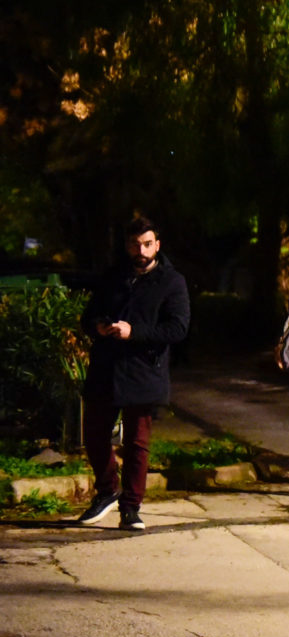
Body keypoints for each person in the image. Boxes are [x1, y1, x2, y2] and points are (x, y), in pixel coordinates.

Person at [78, 216, 191, 530]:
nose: (140, 251)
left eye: (146, 244)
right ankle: (107, 490)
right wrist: (99, 326)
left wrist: (135, 332)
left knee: (137, 443)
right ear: (126, 245)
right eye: (134, 244)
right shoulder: (113, 276)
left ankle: (131, 507)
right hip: (106, 368)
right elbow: (88, 316)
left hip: (144, 371)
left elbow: (178, 328)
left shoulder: (172, 281)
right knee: (94, 434)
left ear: (157, 245)